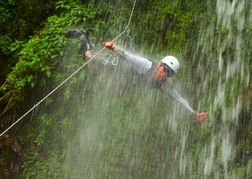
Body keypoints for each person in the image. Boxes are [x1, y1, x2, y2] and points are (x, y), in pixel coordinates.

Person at [65, 29, 207, 122]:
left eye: (168, 73)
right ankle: (84, 38)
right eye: (164, 69)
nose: (164, 74)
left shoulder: (165, 84)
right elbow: (128, 56)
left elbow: (179, 99)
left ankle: (88, 45)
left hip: (125, 82)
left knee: (119, 94)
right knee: (91, 61)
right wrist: (113, 48)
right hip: (116, 68)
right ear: (159, 65)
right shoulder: (145, 65)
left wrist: (194, 113)